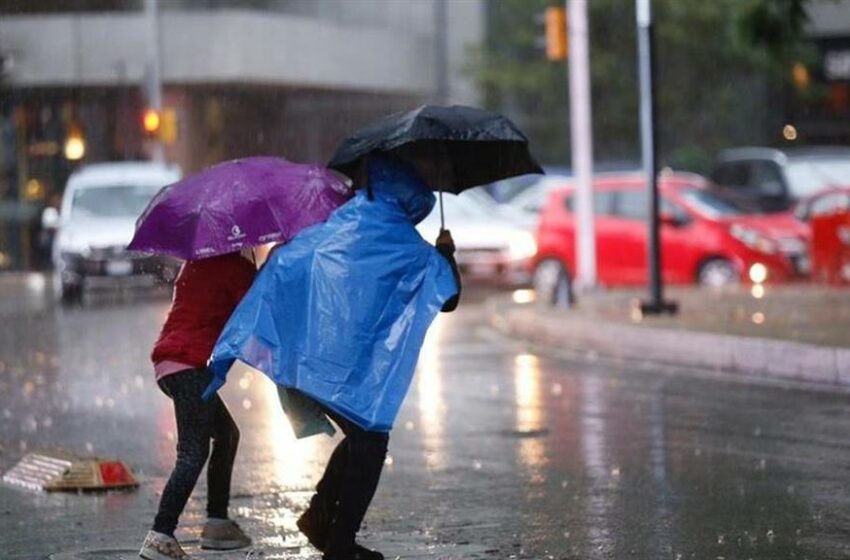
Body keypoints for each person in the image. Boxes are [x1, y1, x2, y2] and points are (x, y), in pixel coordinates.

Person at [205, 155, 462, 560]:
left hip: (306, 365)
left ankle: (322, 520)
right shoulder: (401, 239)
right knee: (370, 440)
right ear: (412, 196)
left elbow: (289, 262)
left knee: (365, 437)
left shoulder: (338, 222)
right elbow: (447, 298)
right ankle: (337, 540)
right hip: (340, 374)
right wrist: (446, 255)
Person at [139, 249, 256, 560]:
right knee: (192, 453)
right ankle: (160, 535)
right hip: (188, 366)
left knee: (226, 434)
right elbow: (255, 312)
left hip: (171, 363)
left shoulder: (196, 262)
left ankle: (218, 524)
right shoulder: (235, 267)